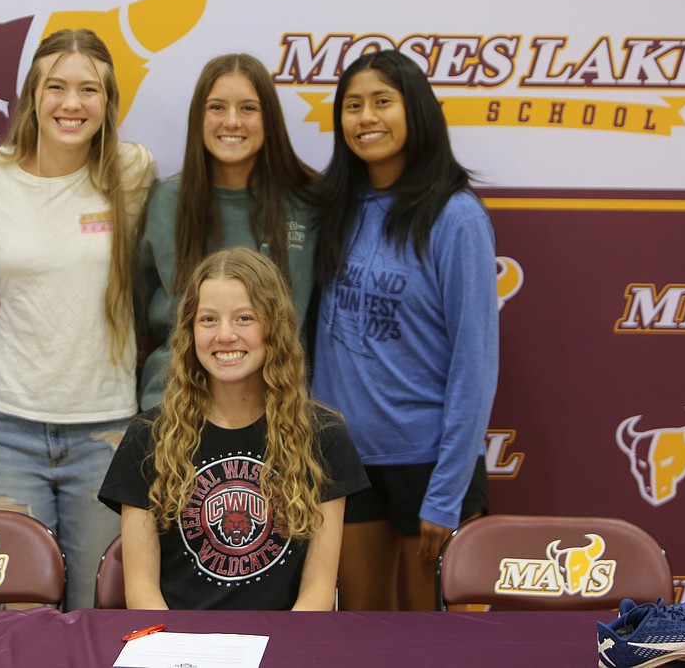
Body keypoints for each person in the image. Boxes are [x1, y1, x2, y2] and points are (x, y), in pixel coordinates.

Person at [0, 28, 156, 610]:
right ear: (30, 97)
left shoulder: (131, 170)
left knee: (97, 609)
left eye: (89, 89)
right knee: (16, 610)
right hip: (6, 426)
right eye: (57, 87)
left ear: (108, 102)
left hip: (105, 429)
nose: (72, 104)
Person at [310, 49, 498, 611]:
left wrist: (446, 495)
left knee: (441, 644)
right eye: (352, 105)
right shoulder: (333, 208)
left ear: (416, 110)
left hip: (430, 463)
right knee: (363, 634)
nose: (366, 117)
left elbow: (476, 364)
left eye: (382, 102)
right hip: (347, 459)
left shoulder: (455, 216)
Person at [100, 247, 367, 610]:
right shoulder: (148, 436)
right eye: (208, 319)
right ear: (190, 331)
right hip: (180, 652)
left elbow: (318, 592)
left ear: (275, 326)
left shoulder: (324, 436)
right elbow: (142, 590)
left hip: (283, 647)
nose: (225, 335)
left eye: (245, 318)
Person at [135, 53, 320, 412]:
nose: (232, 121)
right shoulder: (164, 202)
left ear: (270, 119)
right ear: (199, 117)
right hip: (176, 411)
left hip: (278, 416)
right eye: (217, 107)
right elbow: (137, 312)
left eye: (248, 108)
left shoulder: (308, 203)